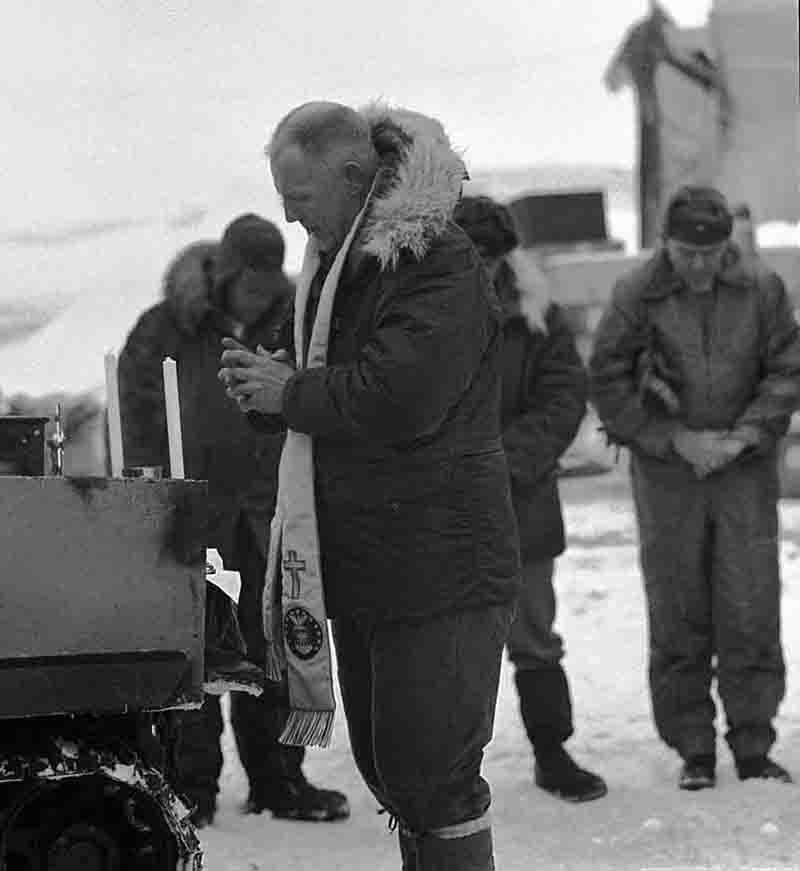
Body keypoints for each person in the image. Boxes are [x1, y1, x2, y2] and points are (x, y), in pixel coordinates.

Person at [220, 102, 520, 871]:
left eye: (301, 197)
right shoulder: (332, 265)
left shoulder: (436, 261)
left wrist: (287, 392)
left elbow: (402, 397)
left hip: (439, 563)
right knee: (392, 769)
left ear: (356, 178)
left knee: (433, 774)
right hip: (370, 562)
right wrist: (262, 389)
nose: (289, 216)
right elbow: (312, 382)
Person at [118, 215, 349, 826]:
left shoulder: (296, 319)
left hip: (272, 514)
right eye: (248, 283)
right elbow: (137, 413)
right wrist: (153, 498)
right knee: (192, 655)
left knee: (272, 649)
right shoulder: (165, 328)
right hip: (192, 518)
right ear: (223, 274)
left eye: (268, 284)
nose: (259, 294)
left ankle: (279, 780)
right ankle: (192, 788)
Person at [589, 185, 800, 790]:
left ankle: (754, 743)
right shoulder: (637, 294)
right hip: (668, 478)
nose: (701, 266)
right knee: (678, 606)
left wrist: (742, 438)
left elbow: (787, 369)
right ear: (666, 244)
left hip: (743, 473)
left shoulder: (762, 290)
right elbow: (606, 379)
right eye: (687, 254)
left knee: (750, 604)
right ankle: (693, 747)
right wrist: (673, 439)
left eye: (712, 254)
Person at [454, 195, 608, 803]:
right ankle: (450, 766)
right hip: (442, 505)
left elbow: (565, 394)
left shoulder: (538, 316)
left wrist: (504, 459)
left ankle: (552, 750)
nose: (485, 271)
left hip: (520, 500)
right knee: (452, 643)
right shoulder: (424, 312)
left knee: (535, 633)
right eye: (474, 257)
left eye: (494, 259)